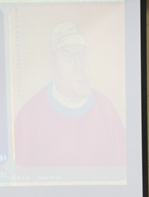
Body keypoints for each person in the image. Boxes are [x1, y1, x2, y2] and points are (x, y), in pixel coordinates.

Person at [13, 21, 126, 167]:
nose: (79, 65)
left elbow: (126, 164)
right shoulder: (30, 115)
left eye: (82, 56)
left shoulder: (104, 108)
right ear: (53, 65)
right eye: (68, 57)